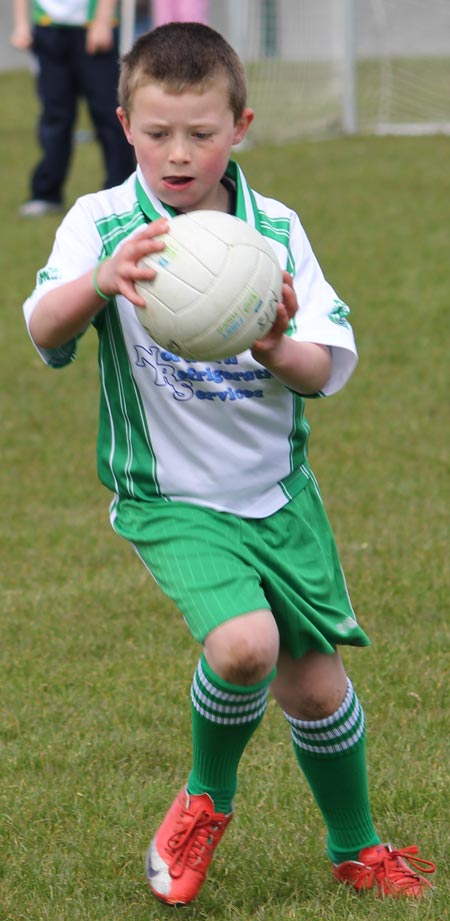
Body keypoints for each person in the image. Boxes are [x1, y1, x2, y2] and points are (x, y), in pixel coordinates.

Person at [22, 22, 435, 908]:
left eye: (201, 134)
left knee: (318, 688)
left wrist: (277, 343)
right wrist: (97, 281)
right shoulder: (103, 221)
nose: (179, 154)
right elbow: (42, 329)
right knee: (244, 646)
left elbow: (321, 368)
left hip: (278, 497)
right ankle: (207, 795)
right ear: (125, 122)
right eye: (159, 132)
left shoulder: (276, 231)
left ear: (240, 124)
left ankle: (356, 848)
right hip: (169, 496)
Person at [10, 0, 135, 217]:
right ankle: (46, 194)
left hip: (93, 27)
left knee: (108, 114)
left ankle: (122, 192)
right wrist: (21, 24)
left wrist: (102, 21)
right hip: (49, 28)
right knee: (55, 115)